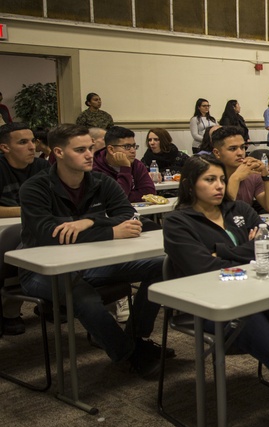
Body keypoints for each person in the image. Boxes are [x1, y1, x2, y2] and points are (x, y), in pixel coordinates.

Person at [163, 156, 269, 427]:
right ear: (190, 186)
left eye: (222, 180)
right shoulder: (178, 222)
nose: (219, 186)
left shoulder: (239, 209)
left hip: (263, 291)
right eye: (209, 180)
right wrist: (249, 252)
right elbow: (205, 268)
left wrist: (224, 252)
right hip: (219, 303)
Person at [18, 123, 164, 376]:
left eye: (90, 148)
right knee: (84, 298)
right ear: (59, 153)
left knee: (164, 263)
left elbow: (128, 215)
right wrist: (109, 231)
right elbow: (48, 235)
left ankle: (134, 336)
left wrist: (91, 221)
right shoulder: (35, 188)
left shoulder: (100, 181)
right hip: (42, 271)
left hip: (93, 262)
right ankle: (129, 352)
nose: (89, 155)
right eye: (80, 149)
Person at [0, 122, 50, 335]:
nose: (32, 146)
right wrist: (29, 209)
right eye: (23, 142)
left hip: (35, 227)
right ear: (5, 148)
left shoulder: (43, 168)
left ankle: (52, 299)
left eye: (33, 141)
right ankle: (8, 311)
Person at [211, 126, 269, 214]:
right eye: (233, 149)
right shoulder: (208, 177)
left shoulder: (252, 174)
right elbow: (222, 213)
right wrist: (236, 178)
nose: (240, 153)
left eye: (242, 147)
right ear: (217, 153)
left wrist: (266, 174)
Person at [92, 126, 156, 202]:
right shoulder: (94, 168)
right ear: (111, 149)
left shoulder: (137, 165)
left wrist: (125, 196)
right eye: (127, 146)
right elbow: (113, 200)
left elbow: (150, 193)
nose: (133, 151)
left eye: (134, 146)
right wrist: (125, 168)